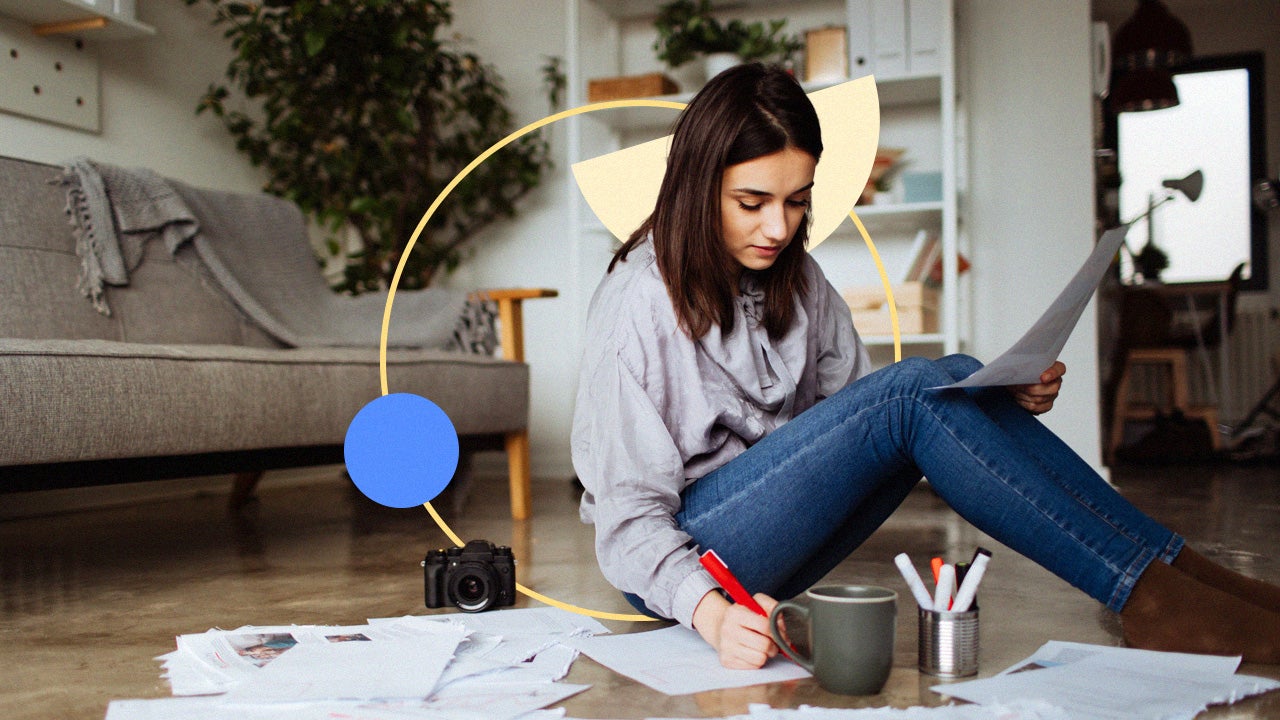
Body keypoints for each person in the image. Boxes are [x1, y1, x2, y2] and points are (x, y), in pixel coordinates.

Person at [570, 63, 1280, 669]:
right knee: (918, 391)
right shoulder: (638, 300)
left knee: (950, 378)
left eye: (797, 201)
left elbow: (852, 429)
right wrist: (711, 615)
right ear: (699, 188)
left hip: (767, 529)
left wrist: (995, 401)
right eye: (751, 203)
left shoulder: (797, 275)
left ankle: (1181, 575)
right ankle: (1149, 598)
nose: (779, 228)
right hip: (690, 564)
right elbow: (629, 522)